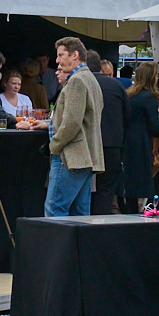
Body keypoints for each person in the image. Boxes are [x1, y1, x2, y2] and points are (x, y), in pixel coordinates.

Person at [45, 38, 104, 217]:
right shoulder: (90, 78)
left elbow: (72, 123)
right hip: (86, 157)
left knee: (55, 210)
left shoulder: (77, 80)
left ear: (75, 55)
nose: (57, 61)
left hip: (70, 157)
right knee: (80, 215)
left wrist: (54, 146)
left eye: (61, 55)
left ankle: (57, 240)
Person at [87, 50, 128, 215]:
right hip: (112, 144)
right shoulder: (116, 85)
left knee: (83, 189)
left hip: (88, 145)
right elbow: (127, 114)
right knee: (105, 190)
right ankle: (100, 223)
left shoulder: (81, 83)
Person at [121, 62, 159, 213]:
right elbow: (155, 126)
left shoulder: (129, 95)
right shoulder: (149, 97)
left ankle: (130, 210)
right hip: (142, 141)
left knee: (130, 181)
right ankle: (144, 211)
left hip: (127, 141)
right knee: (143, 180)